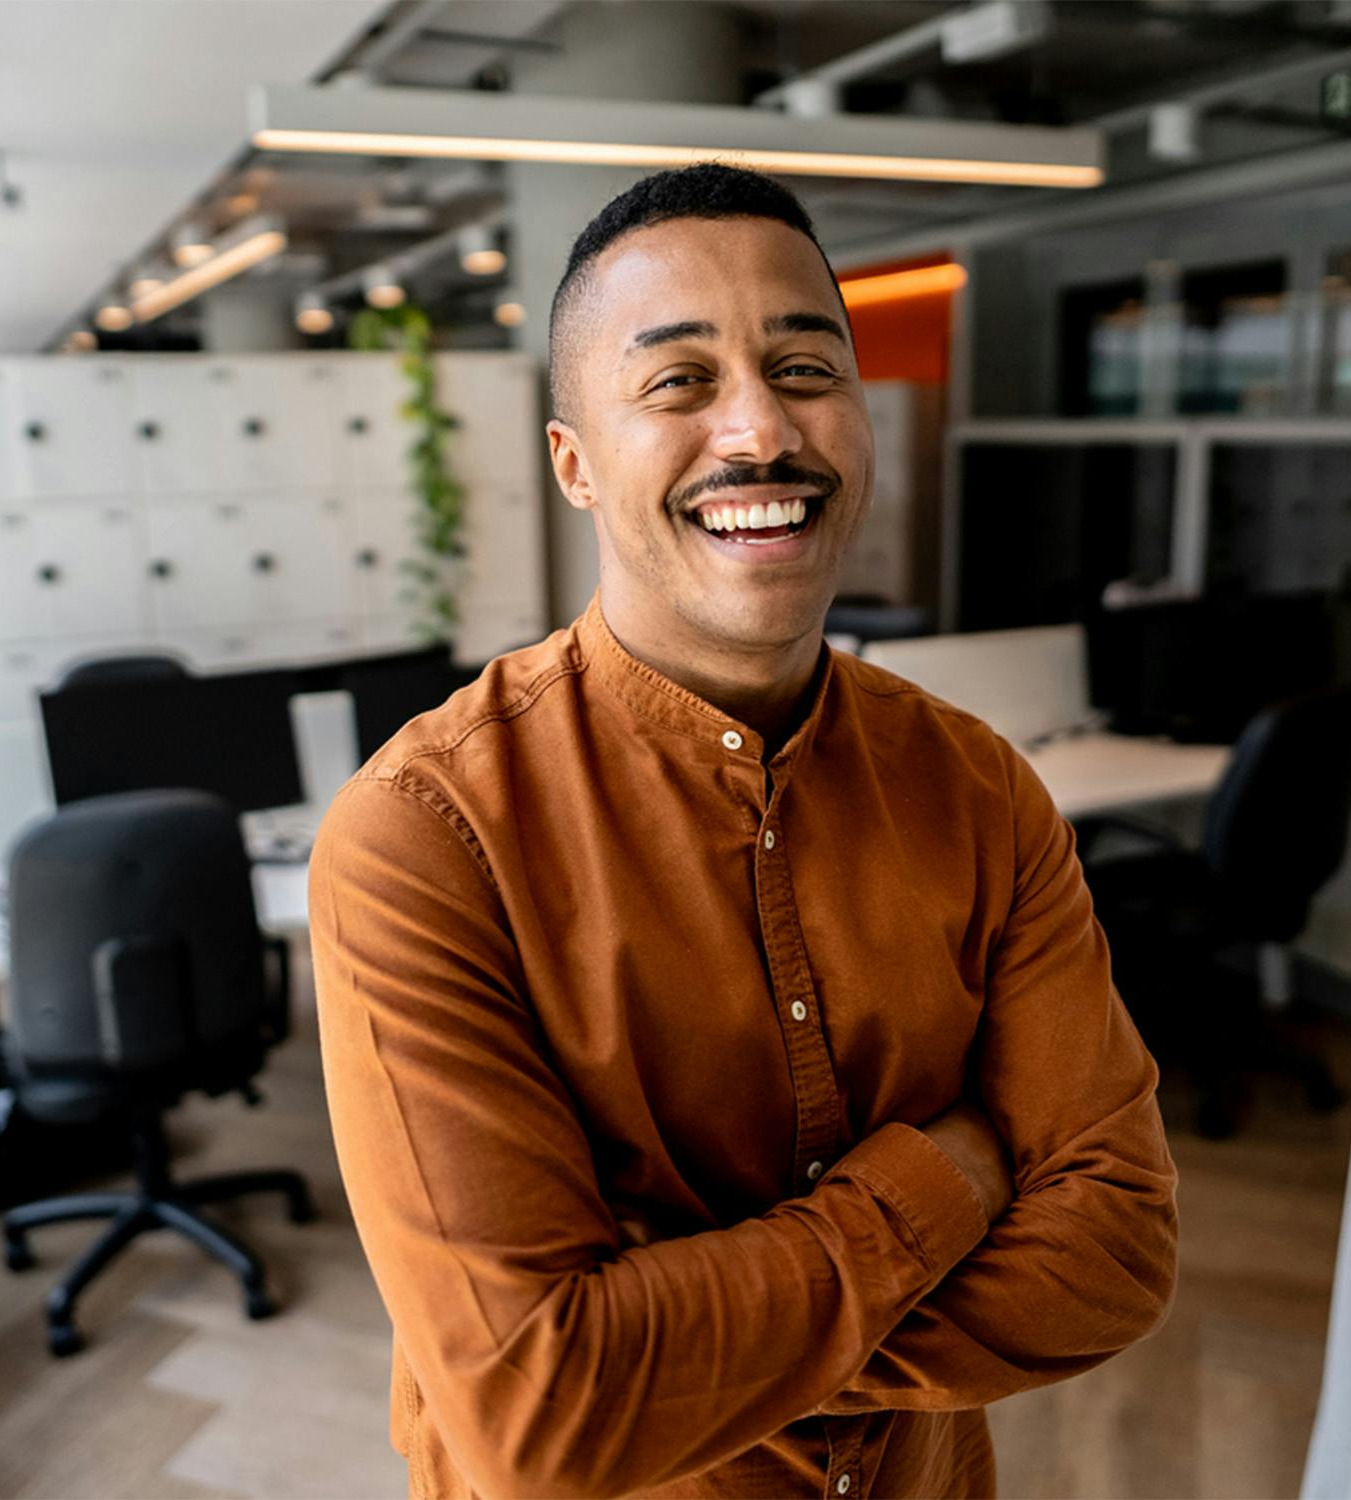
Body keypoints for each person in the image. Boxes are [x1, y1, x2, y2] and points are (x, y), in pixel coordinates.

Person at [309, 163, 1179, 1500]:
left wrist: (673, 1356)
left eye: (805, 368)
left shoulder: (978, 790)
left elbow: (1112, 1256)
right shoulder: (428, 839)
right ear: (575, 465)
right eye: (678, 382)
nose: (761, 430)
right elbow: (540, 1418)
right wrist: (949, 1176)